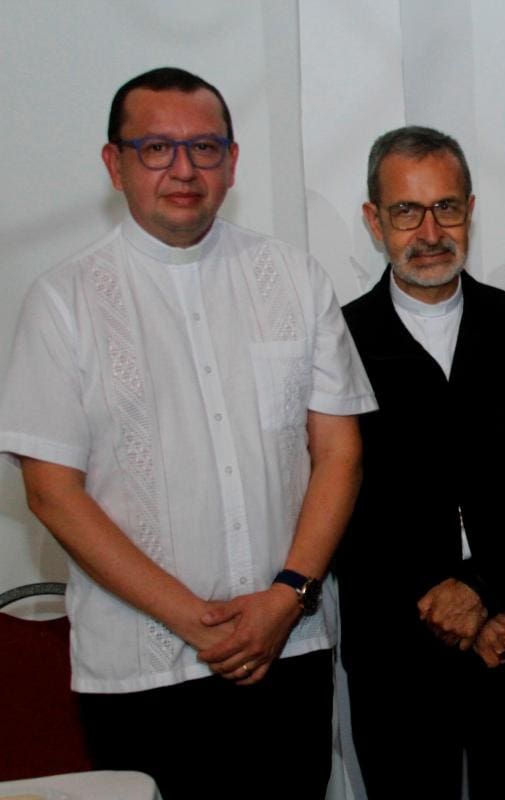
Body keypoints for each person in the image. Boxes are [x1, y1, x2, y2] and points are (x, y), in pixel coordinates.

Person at [0, 68, 376, 798]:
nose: (183, 169)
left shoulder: (294, 279)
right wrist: (195, 622)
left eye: (204, 148)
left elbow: (340, 453)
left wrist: (285, 596)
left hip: (287, 649)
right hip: (139, 669)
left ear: (232, 162)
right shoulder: (63, 300)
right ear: (115, 164)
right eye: (156, 149)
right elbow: (51, 493)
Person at [337, 126, 505, 799]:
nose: (429, 230)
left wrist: (484, 593)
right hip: (395, 647)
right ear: (373, 220)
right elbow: (341, 504)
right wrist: (441, 601)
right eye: (405, 211)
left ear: (470, 210)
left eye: (446, 207)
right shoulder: (341, 340)